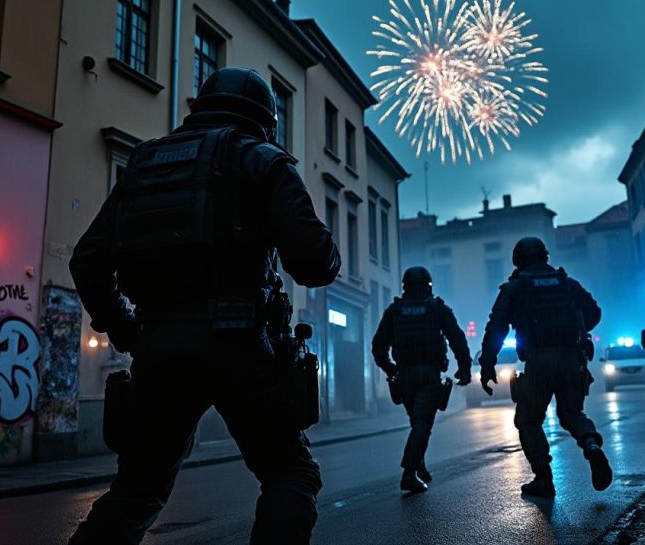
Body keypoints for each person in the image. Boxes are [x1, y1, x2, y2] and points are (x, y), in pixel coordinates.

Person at [67, 67, 340, 545]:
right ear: (264, 120)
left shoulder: (146, 161)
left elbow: (88, 260)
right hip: (242, 346)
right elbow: (315, 263)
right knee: (290, 474)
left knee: (136, 492)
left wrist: (127, 331)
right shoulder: (263, 159)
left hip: (160, 349)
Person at [479, 236, 612, 497]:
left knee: (529, 419)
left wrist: (487, 364)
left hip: (538, 361)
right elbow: (594, 313)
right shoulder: (567, 283)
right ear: (545, 257)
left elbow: (496, 327)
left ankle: (543, 479)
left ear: (518, 261)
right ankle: (592, 446)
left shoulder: (514, 288)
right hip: (571, 359)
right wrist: (575, 332)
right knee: (572, 413)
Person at [371, 266, 472, 492]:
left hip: (405, 376)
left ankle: (419, 467)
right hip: (428, 373)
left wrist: (390, 369)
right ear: (429, 286)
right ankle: (409, 473)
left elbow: (378, 346)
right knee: (422, 423)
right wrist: (464, 368)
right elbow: (457, 338)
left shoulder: (394, 311)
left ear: (405, 287)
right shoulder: (437, 308)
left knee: (416, 421)